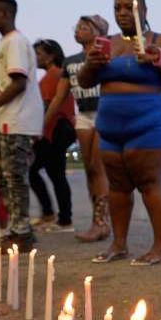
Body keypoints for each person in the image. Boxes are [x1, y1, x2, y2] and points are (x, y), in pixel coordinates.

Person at [79, 0, 161, 265]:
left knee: (150, 183)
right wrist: (90, 64)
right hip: (111, 126)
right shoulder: (106, 43)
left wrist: (157, 58)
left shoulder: (158, 40)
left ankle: (160, 247)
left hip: (148, 123)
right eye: (118, 8)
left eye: (130, 7)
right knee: (117, 187)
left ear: (144, 11)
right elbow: (85, 81)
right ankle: (119, 244)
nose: (123, 13)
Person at [0, 0, 44, 251]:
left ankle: (22, 233)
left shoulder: (15, 42)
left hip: (18, 120)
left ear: (4, 14)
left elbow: (18, 82)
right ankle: (10, 230)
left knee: (15, 177)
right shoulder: (6, 42)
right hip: (5, 119)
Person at [48, 15, 111, 242]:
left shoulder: (105, 54)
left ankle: (101, 223)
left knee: (99, 167)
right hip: (83, 116)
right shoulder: (70, 61)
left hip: (104, 112)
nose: (78, 31)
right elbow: (59, 97)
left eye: (84, 27)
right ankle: (99, 220)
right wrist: (43, 124)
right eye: (77, 27)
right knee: (90, 169)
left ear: (98, 32)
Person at [29, 38, 76, 233]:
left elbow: (49, 106)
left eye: (38, 54)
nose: (35, 58)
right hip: (59, 128)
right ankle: (58, 217)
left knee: (34, 171)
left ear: (51, 56)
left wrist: (37, 131)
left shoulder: (53, 75)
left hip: (56, 128)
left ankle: (59, 218)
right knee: (54, 174)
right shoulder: (53, 75)